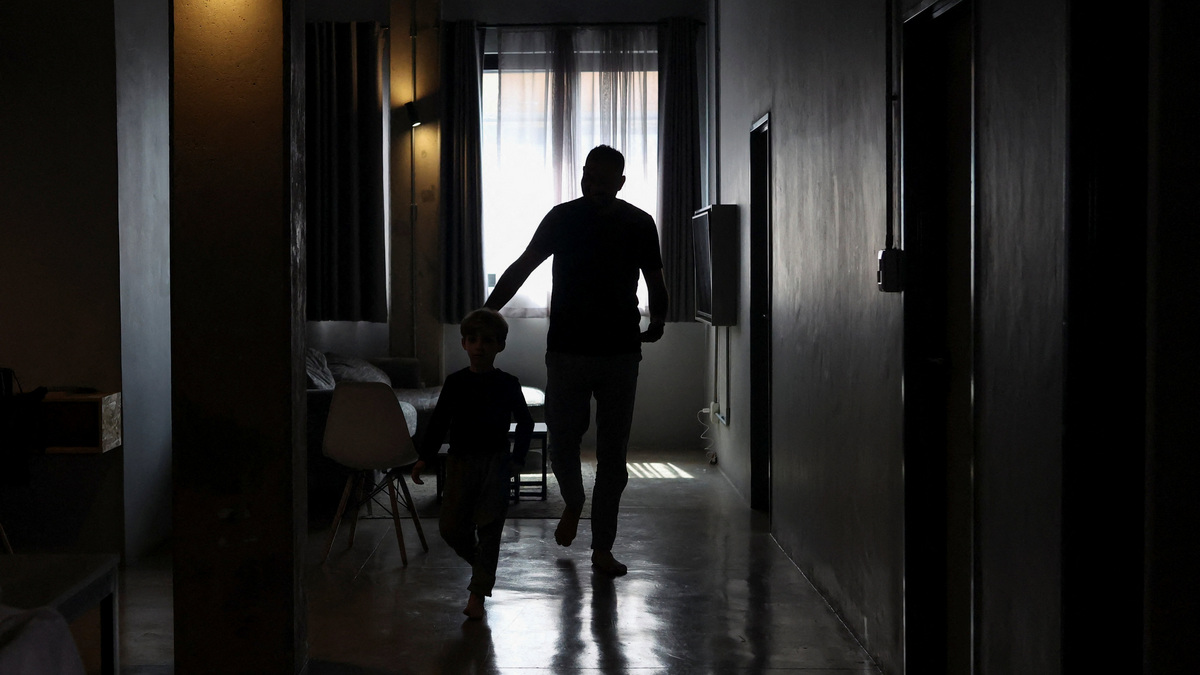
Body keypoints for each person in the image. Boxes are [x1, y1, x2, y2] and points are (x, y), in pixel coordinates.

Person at [484, 144, 668, 577]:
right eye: (590, 176)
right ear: (582, 175)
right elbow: (523, 266)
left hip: (621, 354)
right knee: (563, 444)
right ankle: (573, 499)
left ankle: (602, 548)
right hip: (566, 352)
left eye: (605, 179)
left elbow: (655, 280)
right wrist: (489, 312)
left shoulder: (639, 223)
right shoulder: (562, 218)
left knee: (612, 457)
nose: (595, 185)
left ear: (621, 182)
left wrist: (658, 318)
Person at [410, 308, 534, 619]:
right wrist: (424, 456)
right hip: (460, 461)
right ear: (464, 343)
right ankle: (482, 565)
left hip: (495, 462)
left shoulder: (508, 383)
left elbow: (526, 422)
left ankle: (477, 594)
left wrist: (517, 458)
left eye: (488, 341)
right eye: (473, 339)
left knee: (490, 527)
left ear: (499, 346)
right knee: (451, 527)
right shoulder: (455, 383)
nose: (480, 346)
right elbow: (439, 422)